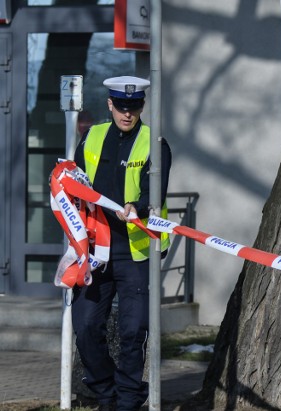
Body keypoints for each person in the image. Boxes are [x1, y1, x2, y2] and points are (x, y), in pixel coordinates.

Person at [71, 76, 172, 411]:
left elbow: (155, 191)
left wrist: (138, 207)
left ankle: (127, 401)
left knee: (133, 332)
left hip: (136, 251)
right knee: (85, 326)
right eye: (122, 107)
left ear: (142, 107)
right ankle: (106, 392)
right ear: (110, 104)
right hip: (95, 249)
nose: (128, 114)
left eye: (135, 107)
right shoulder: (92, 137)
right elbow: (75, 182)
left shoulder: (155, 143)